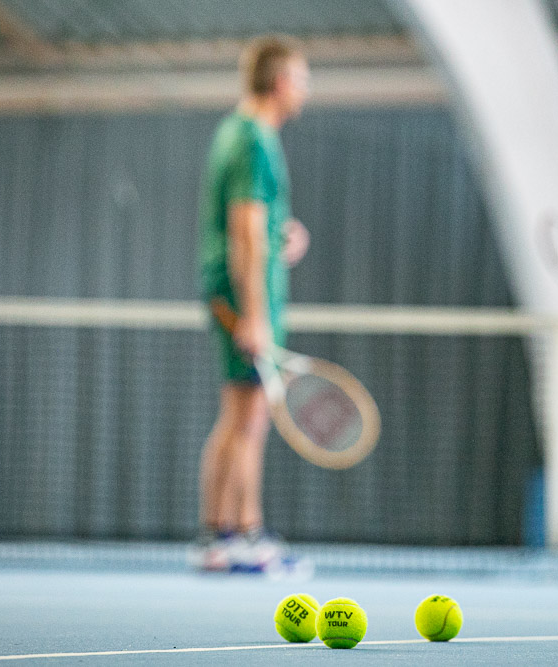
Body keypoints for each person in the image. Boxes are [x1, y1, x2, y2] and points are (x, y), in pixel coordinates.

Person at [191, 36, 311, 573]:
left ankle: (216, 537)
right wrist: (257, 315)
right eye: (303, 79)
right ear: (282, 83)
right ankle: (247, 534)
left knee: (236, 415)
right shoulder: (254, 140)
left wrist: (280, 238)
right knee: (251, 419)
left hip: (234, 292)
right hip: (243, 300)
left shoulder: (235, 132)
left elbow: (254, 226)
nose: (307, 90)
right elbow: (243, 232)